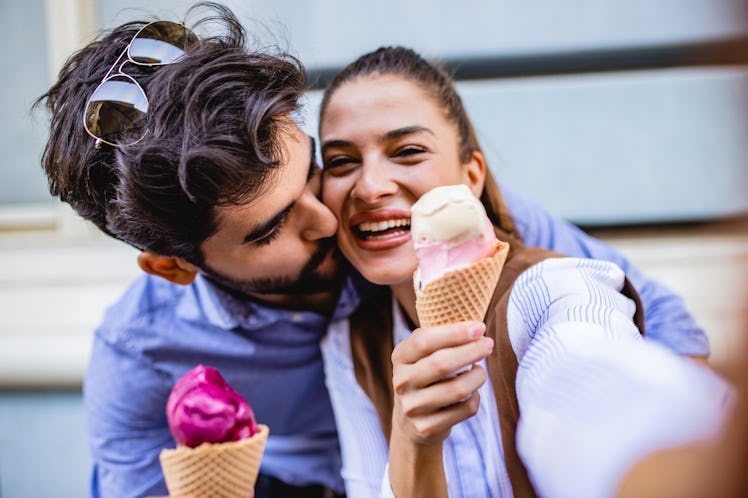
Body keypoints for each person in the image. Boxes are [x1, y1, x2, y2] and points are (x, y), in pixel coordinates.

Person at [34, 3, 711, 496]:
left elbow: (638, 332)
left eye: (313, 174)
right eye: (271, 231)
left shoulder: (420, 223)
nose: (331, 221)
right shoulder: (142, 356)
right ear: (174, 266)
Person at [317, 46, 731, 498]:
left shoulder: (554, 289)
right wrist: (414, 446)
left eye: (409, 151)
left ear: (471, 174)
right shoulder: (349, 343)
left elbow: (589, 391)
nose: (371, 186)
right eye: (341, 161)